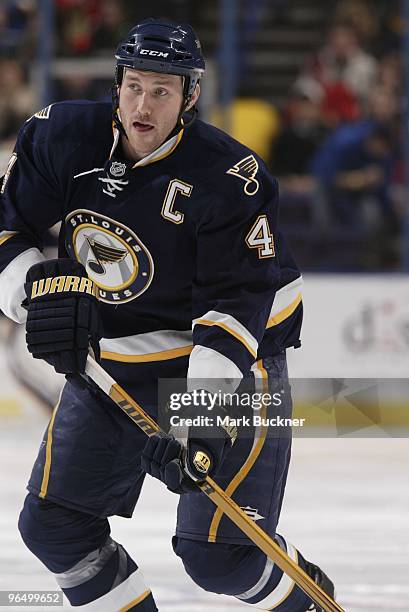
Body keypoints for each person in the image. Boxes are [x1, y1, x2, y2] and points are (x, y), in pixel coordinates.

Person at [0, 19, 335, 611]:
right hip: (118, 361)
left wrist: (199, 422)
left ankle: (303, 599)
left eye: (161, 90)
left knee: (219, 558)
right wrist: (33, 294)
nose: (143, 105)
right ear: (117, 84)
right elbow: (6, 226)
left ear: (190, 96)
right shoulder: (61, 137)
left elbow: (234, 309)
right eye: (133, 86)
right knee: (54, 525)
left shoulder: (231, 179)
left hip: (235, 362)